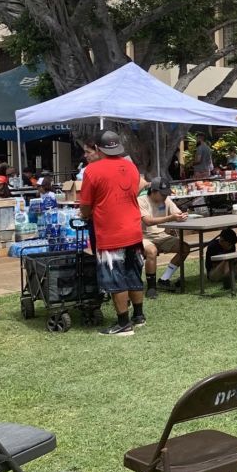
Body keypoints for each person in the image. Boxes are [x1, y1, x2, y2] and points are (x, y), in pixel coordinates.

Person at [79, 130, 149, 336]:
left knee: (115, 277)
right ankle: (139, 316)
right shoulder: (130, 166)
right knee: (134, 273)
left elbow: (85, 206)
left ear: (99, 149)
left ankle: (123, 324)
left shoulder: (92, 171)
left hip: (111, 232)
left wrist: (86, 214)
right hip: (133, 229)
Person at [138, 178, 192, 296]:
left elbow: (176, 212)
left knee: (185, 248)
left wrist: (182, 215)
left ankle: (164, 279)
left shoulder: (166, 200)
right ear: (153, 191)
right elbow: (148, 221)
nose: (165, 196)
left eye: (166, 193)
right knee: (151, 251)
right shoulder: (141, 201)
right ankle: (151, 288)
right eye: (162, 193)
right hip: (143, 236)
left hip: (162, 235)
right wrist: (170, 218)